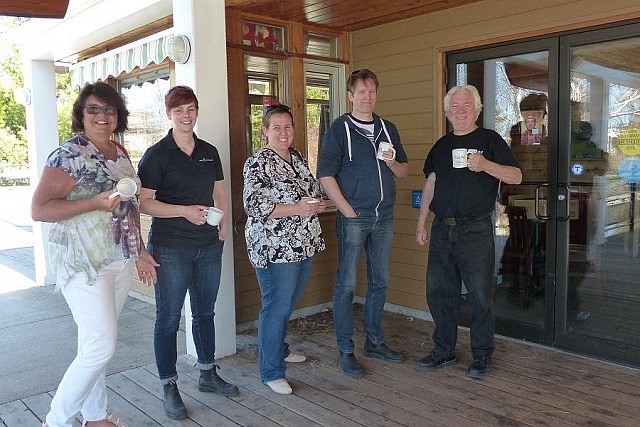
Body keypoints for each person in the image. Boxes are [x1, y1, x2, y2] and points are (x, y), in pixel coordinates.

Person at [32, 82, 159, 427]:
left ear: (118, 115)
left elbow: (130, 208)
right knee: (101, 346)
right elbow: (40, 210)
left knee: (93, 343)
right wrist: (93, 202)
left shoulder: (119, 152)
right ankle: (55, 421)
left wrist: (141, 252)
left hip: (119, 261)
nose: (102, 116)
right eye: (93, 109)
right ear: (81, 114)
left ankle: (95, 416)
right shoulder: (67, 155)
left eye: (109, 109)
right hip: (83, 263)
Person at [137, 85, 239, 420]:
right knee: (167, 319)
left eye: (191, 108)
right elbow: (144, 202)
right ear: (169, 113)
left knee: (205, 312)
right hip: (170, 247)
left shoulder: (209, 151)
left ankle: (207, 372)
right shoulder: (157, 154)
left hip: (208, 245)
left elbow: (219, 194)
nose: (186, 115)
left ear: (197, 111)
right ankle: (169, 385)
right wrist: (183, 211)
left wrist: (224, 224)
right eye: (179, 109)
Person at [415, 85, 522, 379]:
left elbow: (516, 175)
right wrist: (422, 221)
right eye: (455, 106)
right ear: (448, 112)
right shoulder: (440, 145)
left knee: (479, 295)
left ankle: (482, 354)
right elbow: (431, 184)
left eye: (466, 105)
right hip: (441, 229)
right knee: (439, 293)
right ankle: (444, 350)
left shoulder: (490, 140)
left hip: (475, 230)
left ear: (477, 109)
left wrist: (485, 164)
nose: (460, 110)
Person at [318, 68, 409, 379]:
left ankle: (375, 341)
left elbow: (403, 171)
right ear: (350, 95)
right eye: (361, 91)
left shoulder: (388, 128)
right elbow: (325, 175)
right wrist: (347, 211)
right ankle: (346, 349)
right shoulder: (339, 129)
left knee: (379, 281)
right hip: (355, 217)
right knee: (346, 285)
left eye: (372, 91)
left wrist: (391, 161)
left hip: (384, 216)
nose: (367, 97)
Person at [243, 104, 327, 394]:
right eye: (276, 127)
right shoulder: (258, 162)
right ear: (265, 131)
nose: (283, 132)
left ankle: (279, 347)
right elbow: (255, 206)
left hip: (302, 244)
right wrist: (297, 208)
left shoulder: (298, 157)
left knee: (287, 303)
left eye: (287, 126)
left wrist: (316, 204)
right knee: (276, 306)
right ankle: (271, 371)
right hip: (275, 247)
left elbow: (309, 193)